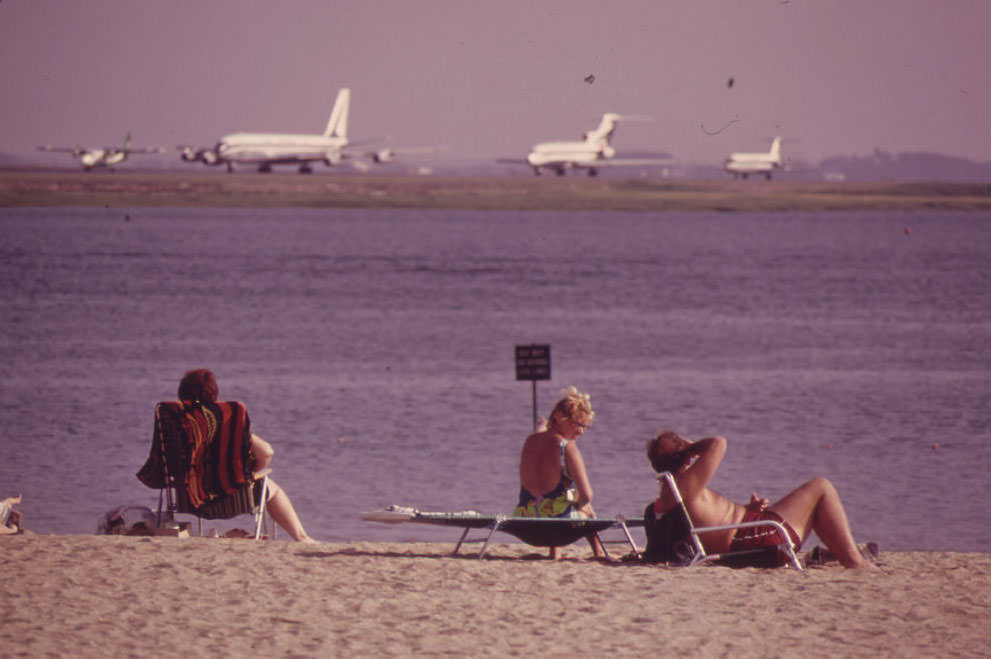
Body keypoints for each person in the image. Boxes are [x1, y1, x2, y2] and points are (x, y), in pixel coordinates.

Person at [645, 430, 869, 568]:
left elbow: (709, 520)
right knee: (822, 486)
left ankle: (841, 553)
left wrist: (747, 508)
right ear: (684, 458)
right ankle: (854, 561)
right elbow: (719, 443)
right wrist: (691, 446)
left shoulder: (671, 492)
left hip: (751, 528)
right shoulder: (684, 487)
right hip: (758, 537)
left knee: (813, 499)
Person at [173, 369, 314, 543]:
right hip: (233, 501)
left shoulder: (174, 425)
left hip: (190, 500)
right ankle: (302, 538)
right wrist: (254, 470)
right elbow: (267, 452)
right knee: (272, 487)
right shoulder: (228, 421)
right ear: (214, 394)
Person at [514, 386, 606, 560]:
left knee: (553, 499)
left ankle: (554, 553)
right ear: (559, 418)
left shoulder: (529, 441)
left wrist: (541, 428)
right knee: (581, 501)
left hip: (525, 525)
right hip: (559, 530)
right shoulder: (567, 447)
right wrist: (580, 502)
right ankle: (599, 552)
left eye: (585, 426)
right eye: (577, 424)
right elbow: (587, 494)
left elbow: (543, 440)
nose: (581, 431)